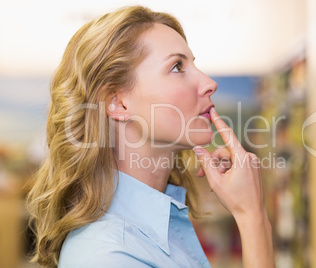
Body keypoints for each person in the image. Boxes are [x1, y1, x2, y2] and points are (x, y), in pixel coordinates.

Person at [26, 5, 275, 268]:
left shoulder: (154, 228)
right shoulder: (108, 258)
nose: (208, 83)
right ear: (118, 104)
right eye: (177, 66)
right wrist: (252, 216)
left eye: (194, 64)